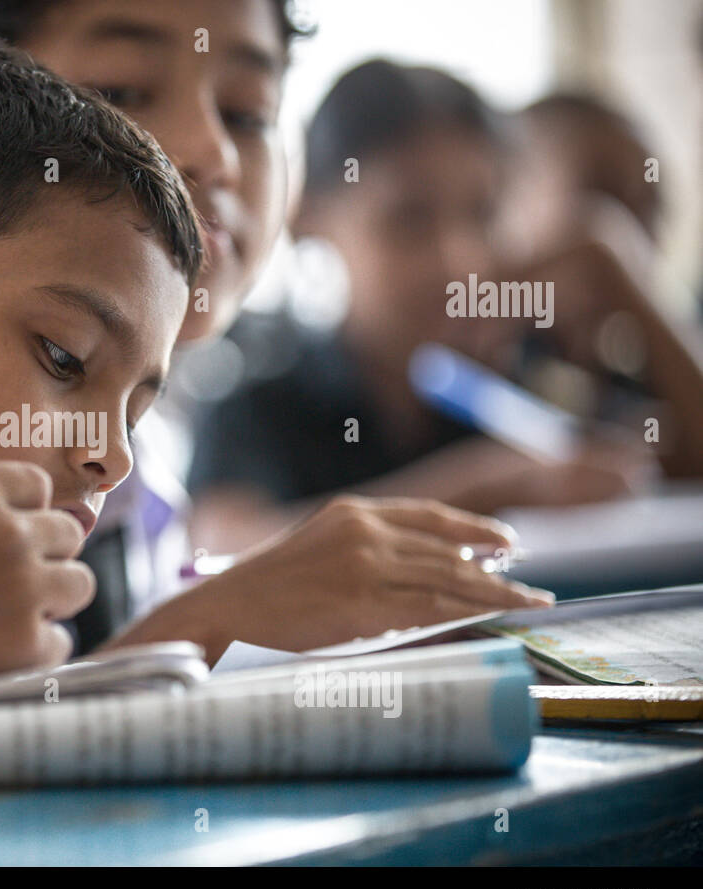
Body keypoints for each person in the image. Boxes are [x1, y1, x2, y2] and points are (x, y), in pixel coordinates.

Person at [0, 3, 554, 653]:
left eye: (246, 114)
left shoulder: (140, 475)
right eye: (121, 91)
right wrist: (214, 619)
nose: (212, 152)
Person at [186, 60, 698, 554]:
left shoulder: (528, 380)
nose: (463, 260)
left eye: (484, 214)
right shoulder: (263, 404)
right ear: (310, 219)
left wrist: (619, 275)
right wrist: (492, 484)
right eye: (411, 218)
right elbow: (227, 547)